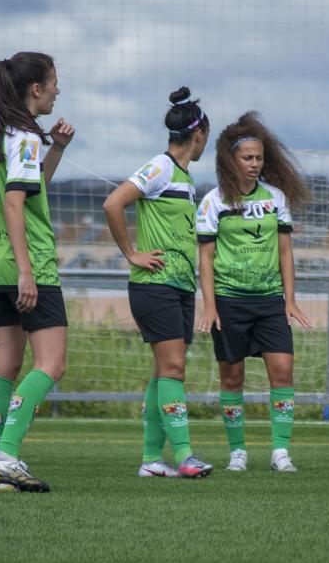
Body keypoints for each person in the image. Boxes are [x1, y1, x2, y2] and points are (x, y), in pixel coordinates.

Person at [103, 87, 214, 479]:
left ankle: (152, 460)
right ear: (198, 135)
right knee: (173, 370)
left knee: (161, 372)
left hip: (179, 287)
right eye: (206, 140)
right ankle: (184, 455)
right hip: (156, 286)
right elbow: (113, 203)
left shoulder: (184, 175)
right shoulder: (161, 167)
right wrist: (131, 253)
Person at [0, 52, 75, 493]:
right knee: (52, 362)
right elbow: (15, 204)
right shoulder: (24, 135)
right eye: (55, 82)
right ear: (35, 88)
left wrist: (57, 148)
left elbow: (32, 189)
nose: (58, 89)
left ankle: (2, 460)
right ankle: (6, 454)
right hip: (25, 262)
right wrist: (26, 272)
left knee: (5, 365)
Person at [195, 111, 312, 473]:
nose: (254, 164)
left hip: (269, 301)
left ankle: (280, 453)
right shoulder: (213, 202)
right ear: (230, 160)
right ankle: (237, 453)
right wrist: (210, 306)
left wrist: (289, 300)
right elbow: (206, 257)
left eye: (259, 158)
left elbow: (284, 251)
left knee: (283, 369)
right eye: (247, 158)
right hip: (229, 301)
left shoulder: (276, 198)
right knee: (232, 378)